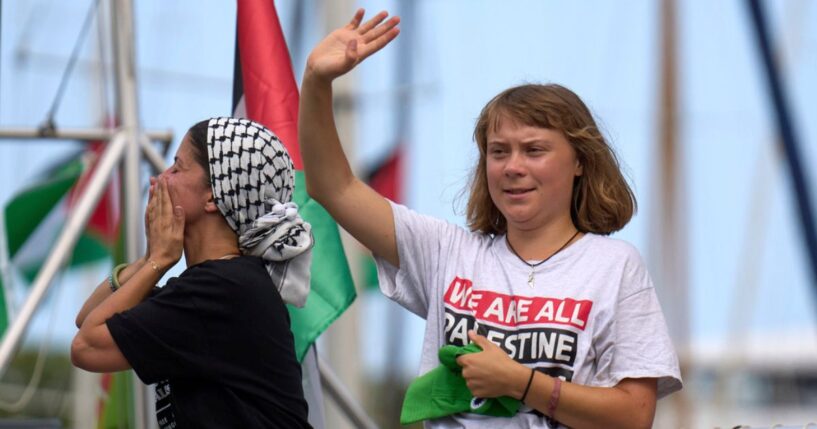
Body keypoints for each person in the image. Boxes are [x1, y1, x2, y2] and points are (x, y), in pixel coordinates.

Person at [299, 9, 682, 429]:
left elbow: (635, 415)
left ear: (579, 162)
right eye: (498, 152)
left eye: (534, 150)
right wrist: (317, 82)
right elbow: (332, 186)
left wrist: (520, 383)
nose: (512, 166)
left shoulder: (614, 266)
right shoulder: (446, 251)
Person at [71, 117, 313, 429]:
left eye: (176, 168)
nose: (159, 179)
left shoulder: (223, 289)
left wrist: (159, 260)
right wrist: (148, 260)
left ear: (213, 196)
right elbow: (87, 319)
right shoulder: (215, 288)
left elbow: (86, 346)